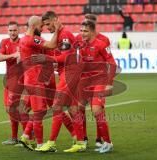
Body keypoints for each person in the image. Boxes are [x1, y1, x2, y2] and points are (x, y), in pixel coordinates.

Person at [35, 11, 86, 153]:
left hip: (69, 74)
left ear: (55, 20)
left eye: (48, 24)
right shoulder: (61, 34)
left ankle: (51, 143)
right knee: (73, 109)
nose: (46, 27)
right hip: (68, 73)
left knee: (57, 107)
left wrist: (49, 60)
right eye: (44, 25)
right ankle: (81, 142)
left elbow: (65, 56)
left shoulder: (64, 34)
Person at [78, 20, 115, 153]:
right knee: (77, 108)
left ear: (93, 32)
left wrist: (109, 84)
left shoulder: (101, 44)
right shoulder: (81, 45)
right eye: (81, 30)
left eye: (85, 31)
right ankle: (83, 139)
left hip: (99, 81)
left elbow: (112, 63)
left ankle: (108, 142)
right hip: (86, 82)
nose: (82, 33)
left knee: (96, 110)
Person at [0, 21, 29, 145]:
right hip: (9, 80)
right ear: (8, 31)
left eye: (14, 30)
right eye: (10, 30)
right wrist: (13, 55)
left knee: (15, 109)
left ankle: (26, 136)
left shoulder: (23, 42)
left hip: (19, 79)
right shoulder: (4, 42)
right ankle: (17, 137)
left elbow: (23, 60)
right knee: (10, 109)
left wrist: (20, 57)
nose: (12, 33)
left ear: (18, 31)